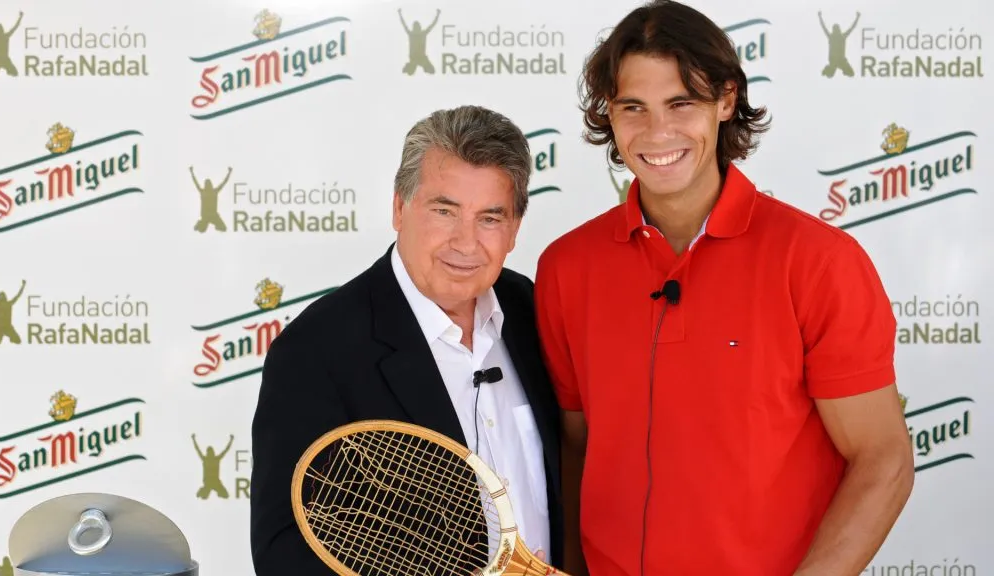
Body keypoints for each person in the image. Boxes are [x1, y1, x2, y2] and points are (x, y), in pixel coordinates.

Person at [534, 1, 914, 575]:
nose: (657, 131)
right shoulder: (566, 267)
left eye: (680, 103)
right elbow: (576, 449)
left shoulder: (817, 261)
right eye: (632, 107)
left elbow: (883, 461)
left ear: (726, 100)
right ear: (608, 116)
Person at [250, 105, 563, 575]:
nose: (465, 242)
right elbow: (285, 553)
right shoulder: (316, 351)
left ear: (515, 229)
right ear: (400, 208)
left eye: (490, 218)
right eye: (445, 211)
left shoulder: (535, 311)